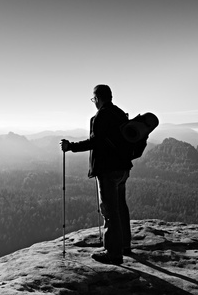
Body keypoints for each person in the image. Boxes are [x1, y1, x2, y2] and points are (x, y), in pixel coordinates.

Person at [61, 84, 133, 265]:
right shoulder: (119, 113)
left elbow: (95, 142)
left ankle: (113, 253)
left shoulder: (101, 116)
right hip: (123, 168)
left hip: (108, 169)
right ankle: (124, 245)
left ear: (99, 98)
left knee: (110, 211)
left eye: (94, 99)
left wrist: (71, 147)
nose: (94, 103)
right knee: (121, 206)